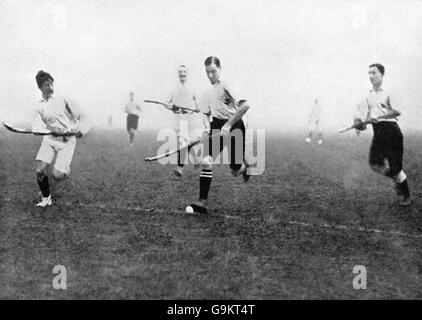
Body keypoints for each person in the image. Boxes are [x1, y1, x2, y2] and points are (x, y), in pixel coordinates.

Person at [185, 56, 251, 214]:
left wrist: (228, 125)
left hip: (235, 126)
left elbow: (245, 106)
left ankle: (244, 167)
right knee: (206, 161)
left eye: (213, 71)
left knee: (235, 171)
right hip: (217, 126)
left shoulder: (227, 85)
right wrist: (207, 129)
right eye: (207, 72)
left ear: (220, 69)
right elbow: (205, 114)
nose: (210, 75)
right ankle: (202, 203)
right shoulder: (207, 91)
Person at [354, 63, 412, 206]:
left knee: (396, 168)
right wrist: (359, 123)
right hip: (379, 133)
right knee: (374, 164)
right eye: (369, 73)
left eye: (374, 73)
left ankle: (406, 196)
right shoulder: (368, 96)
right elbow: (361, 117)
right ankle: (396, 179)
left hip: (392, 132)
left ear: (382, 74)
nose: (371, 76)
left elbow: (396, 111)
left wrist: (378, 117)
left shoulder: (389, 92)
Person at [33, 70, 90, 207]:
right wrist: (37, 130)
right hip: (49, 140)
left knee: (58, 175)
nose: (51, 87)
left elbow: (84, 117)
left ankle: (65, 170)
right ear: (40, 87)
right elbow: (37, 124)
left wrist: (82, 129)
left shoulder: (63, 99)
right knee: (40, 170)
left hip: (67, 142)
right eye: (47, 84)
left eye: (52, 83)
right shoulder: (39, 105)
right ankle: (46, 198)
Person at [167, 65, 202, 177]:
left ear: (187, 74)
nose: (182, 73)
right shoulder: (174, 89)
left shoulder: (192, 88)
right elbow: (167, 104)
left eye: (184, 72)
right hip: (179, 118)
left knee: (185, 143)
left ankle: (186, 165)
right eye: (180, 72)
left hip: (190, 118)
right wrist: (172, 107)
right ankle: (189, 164)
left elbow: (198, 104)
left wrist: (197, 108)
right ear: (178, 74)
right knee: (183, 142)